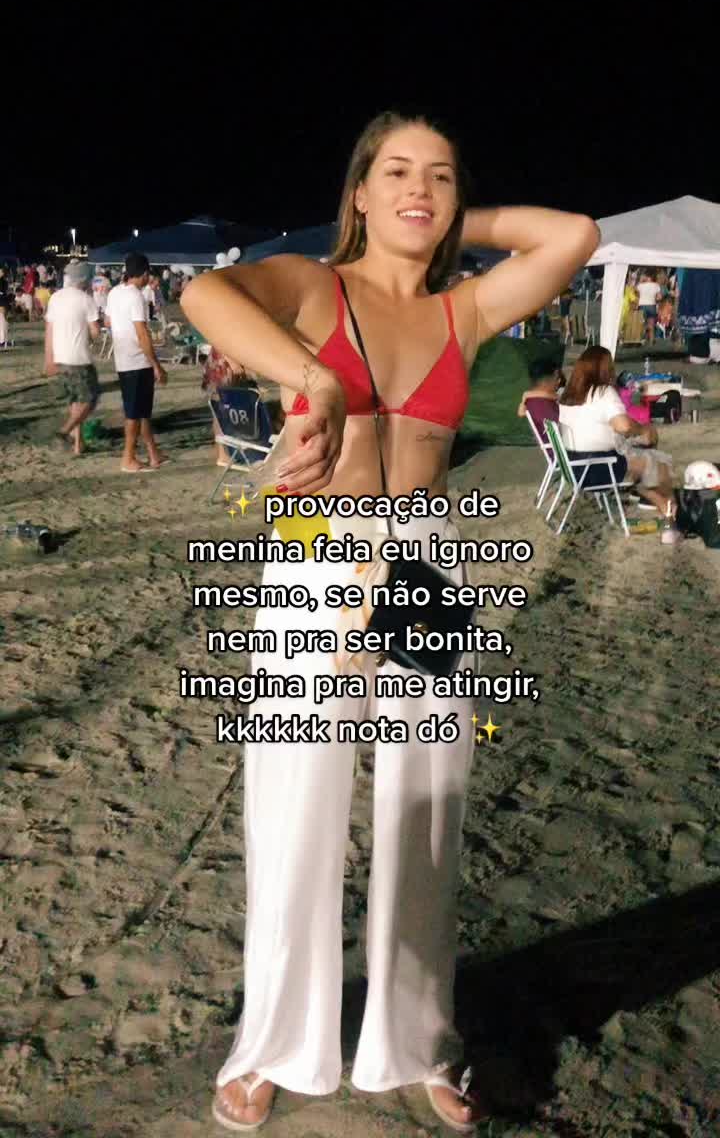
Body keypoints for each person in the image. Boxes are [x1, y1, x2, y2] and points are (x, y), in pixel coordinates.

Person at [181, 110, 600, 1132]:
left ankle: (416, 1041)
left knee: (428, 806)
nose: (421, 188)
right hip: (317, 559)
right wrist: (313, 376)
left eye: (442, 177)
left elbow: (574, 235)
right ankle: (273, 1044)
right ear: (358, 191)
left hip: (426, 561)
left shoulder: (464, 311)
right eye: (398, 172)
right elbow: (202, 294)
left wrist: (451, 222)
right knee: (296, 811)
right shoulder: (313, 287)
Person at [559, 345, 680, 537]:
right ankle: (669, 516)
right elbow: (623, 426)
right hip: (599, 469)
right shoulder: (603, 392)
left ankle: (651, 496)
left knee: (644, 455)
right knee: (659, 461)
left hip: (573, 467)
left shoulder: (567, 395)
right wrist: (640, 429)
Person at [105, 251, 168, 473]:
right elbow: (142, 333)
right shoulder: (136, 297)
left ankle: (153, 454)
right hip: (137, 361)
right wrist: (157, 365)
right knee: (134, 414)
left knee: (142, 412)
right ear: (144, 274)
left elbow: (108, 321)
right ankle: (128, 458)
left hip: (123, 358)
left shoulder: (114, 292)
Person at [43, 261, 101, 455]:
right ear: (84, 279)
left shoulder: (55, 298)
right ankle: (64, 432)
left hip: (60, 357)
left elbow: (49, 330)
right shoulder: (86, 300)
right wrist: (91, 337)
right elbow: (95, 332)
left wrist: (48, 358)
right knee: (90, 399)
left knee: (75, 401)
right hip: (79, 358)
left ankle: (78, 444)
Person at [517, 356, 565, 443]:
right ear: (555, 374)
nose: (559, 382)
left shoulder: (533, 400)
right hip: (564, 448)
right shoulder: (541, 404)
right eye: (558, 378)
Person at [636, 268, 661, 345]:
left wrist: (640, 280)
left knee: (641, 324)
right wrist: (655, 299)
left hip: (642, 305)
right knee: (651, 325)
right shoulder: (656, 285)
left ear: (646, 276)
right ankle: (651, 341)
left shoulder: (640, 285)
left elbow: (636, 292)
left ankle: (640, 340)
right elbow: (659, 297)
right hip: (652, 305)